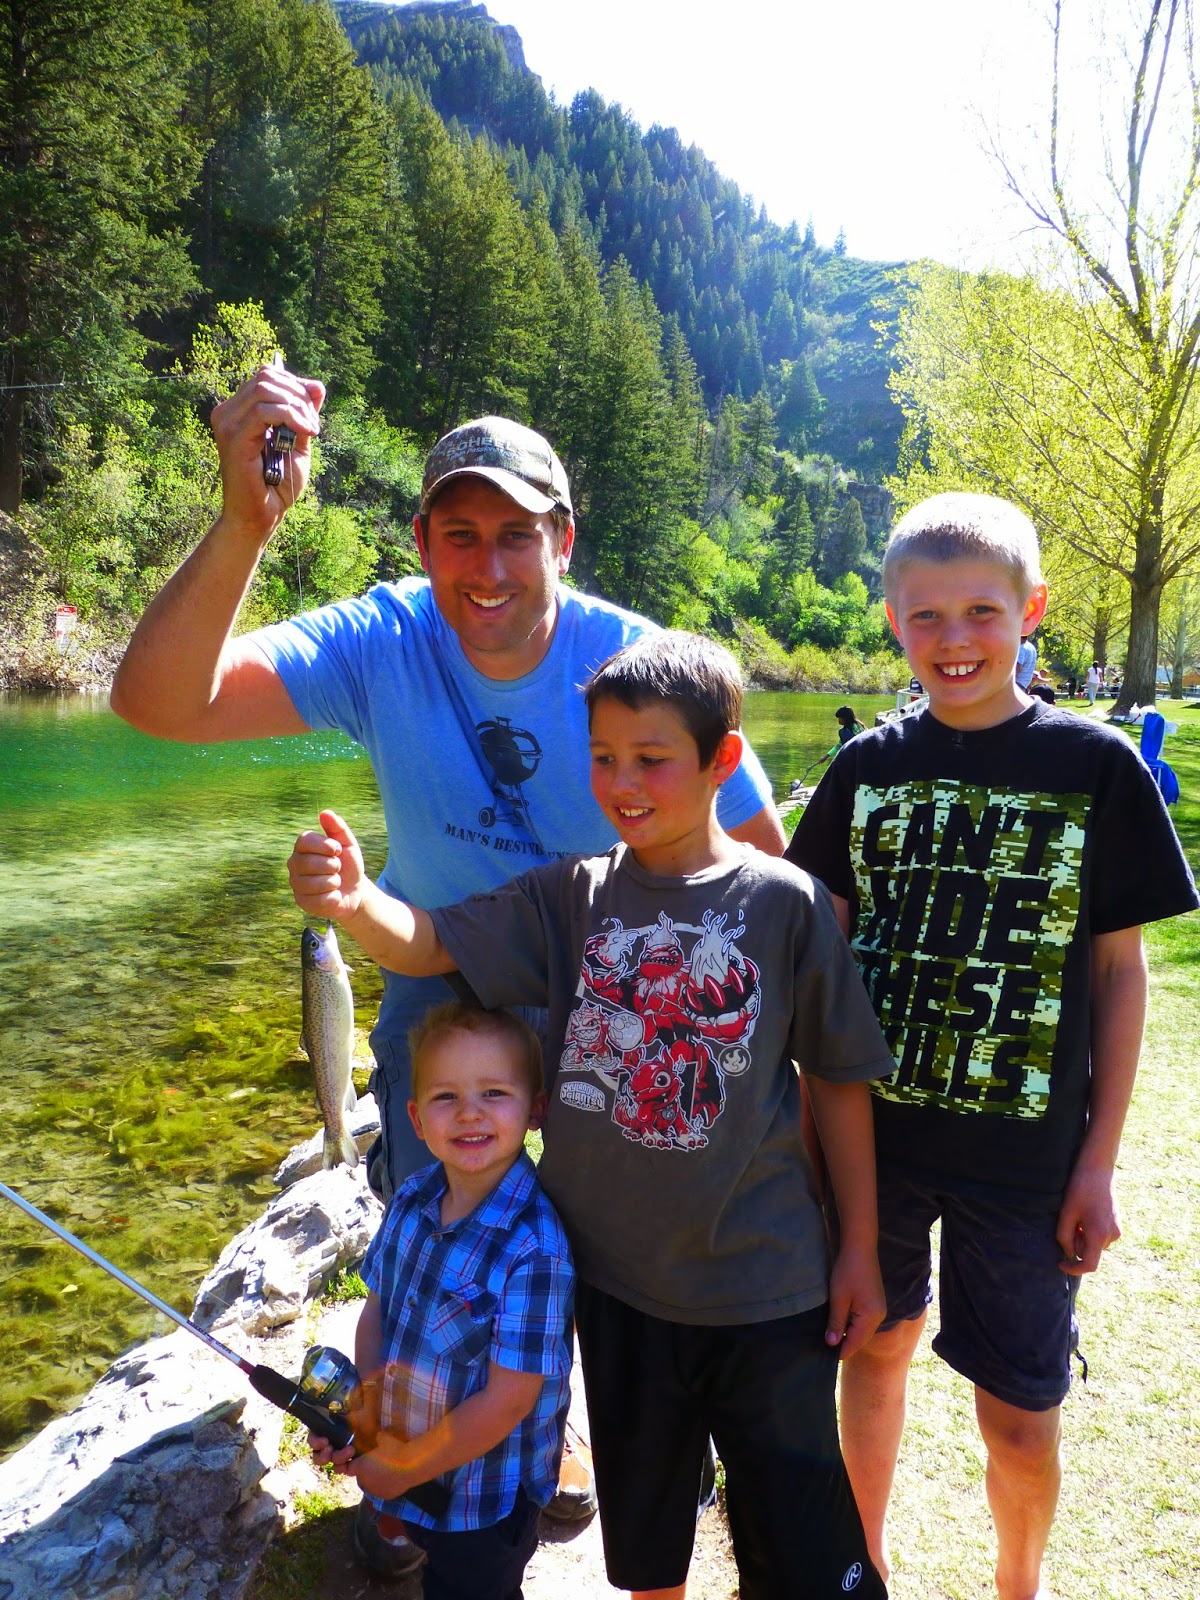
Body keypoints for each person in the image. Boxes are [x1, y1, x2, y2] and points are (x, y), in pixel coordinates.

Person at [108, 368, 783, 1541]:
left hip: (603, 979)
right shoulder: (381, 639)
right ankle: (412, 1447)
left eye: (517, 536)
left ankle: (547, 1413)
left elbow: (767, 872)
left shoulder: (640, 661)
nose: (487, 567)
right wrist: (244, 520)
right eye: (458, 534)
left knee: (586, 1220)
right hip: (432, 963)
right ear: (420, 539)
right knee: (428, 1212)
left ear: (563, 540)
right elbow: (159, 701)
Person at [289, 630, 894, 1600]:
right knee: (648, 1544)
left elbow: (840, 1080)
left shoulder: (787, 906)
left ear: (721, 761)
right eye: (603, 757)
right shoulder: (572, 895)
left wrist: (858, 1243)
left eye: (651, 758)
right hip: (614, 1296)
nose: (623, 781)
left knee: (801, 1550)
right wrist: (360, 903)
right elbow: (431, 938)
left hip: (766, 1293)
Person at [785, 492, 1199, 1600]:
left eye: (981, 610)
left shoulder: (1096, 768)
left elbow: (1119, 975)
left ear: (1033, 612)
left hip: (1027, 1168)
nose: (955, 638)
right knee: (873, 1350)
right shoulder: (862, 773)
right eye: (926, 616)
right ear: (891, 621)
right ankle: (861, 1565)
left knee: (1019, 1418)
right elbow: (816, 965)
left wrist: (1098, 1161)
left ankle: (1021, 1581)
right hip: (876, 1149)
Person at [311, 1002, 574, 1600]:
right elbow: (377, 1310)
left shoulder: (535, 1250)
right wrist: (366, 1420)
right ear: (416, 1118)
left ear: (535, 1109)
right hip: (410, 1461)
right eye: (445, 1097)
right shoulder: (411, 1197)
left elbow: (507, 1402)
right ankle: (402, 1520)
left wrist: (404, 1465)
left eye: (494, 1093)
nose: (470, 1113)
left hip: (487, 1498)